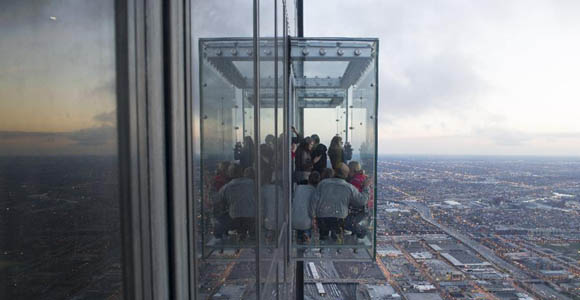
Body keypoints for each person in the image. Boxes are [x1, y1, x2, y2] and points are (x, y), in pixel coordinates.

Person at [311, 163, 370, 242]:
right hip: (339, 220)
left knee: (323, 239)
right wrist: (366, 187)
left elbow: (314, 201)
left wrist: (313, 217)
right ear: (346, 175)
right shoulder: (349, 187)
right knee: (338, 239)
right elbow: (362, 201)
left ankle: (323, 244)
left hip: (322, 219)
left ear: (334, 172)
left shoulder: (323, 184)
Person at [217, 164, 256, 240]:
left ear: (229, 174)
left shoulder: (226, 187)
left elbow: (220, 203)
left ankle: (239, 239)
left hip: (234, 218)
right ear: (242, 172)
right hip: (251, 216)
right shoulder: (252, 183)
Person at [292, 171, 320, 243]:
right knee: (307, 226)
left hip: (294, 219)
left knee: (299, 236)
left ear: (309, 179)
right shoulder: (316, 192)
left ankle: (301, 238)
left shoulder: (298, 188)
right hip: (307, 222)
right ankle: (306, 235)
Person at [346, 161, 371, 239]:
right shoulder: (362, 177)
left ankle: (361, 232)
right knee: (351, 222)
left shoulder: (355, 180)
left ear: (352, 170)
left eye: (348, 170)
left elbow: (354, 195)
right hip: (364, 207)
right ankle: (356, 234)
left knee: (349, 223)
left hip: (358, 207)